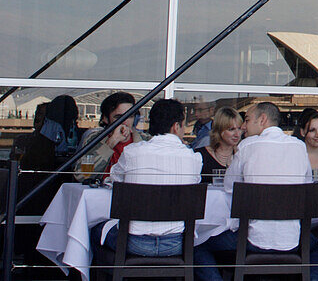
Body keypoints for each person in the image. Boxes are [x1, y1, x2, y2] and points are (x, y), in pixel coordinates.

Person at [193, 102, 318, 281]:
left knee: (198, 245)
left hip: (253, 239)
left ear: (262, 120)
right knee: (317, 247)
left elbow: (230, 186)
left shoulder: (247, 146)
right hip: (292, 240)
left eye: (247, 120)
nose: (243, 126)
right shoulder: (298, 147)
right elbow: (307, 185)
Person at [101, 99, 202, 258]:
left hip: (135, 243)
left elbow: (114, 179)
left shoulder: (132, 152)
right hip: (176, 244)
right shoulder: (194, 158)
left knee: (94, 232)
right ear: (176, 126)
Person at [77, 91, 146, 180]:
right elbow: (81, 176)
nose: (125, 122)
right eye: (118, 117)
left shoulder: (146, 140)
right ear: (105, 118)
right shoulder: (94, 139)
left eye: (130, 116)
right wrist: (111, 143)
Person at [195, 106, 243, 183]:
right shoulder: (200, 156)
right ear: (219, 130)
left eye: (239, 128)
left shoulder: (242, 155)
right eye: (231, 129)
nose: (237, 134)